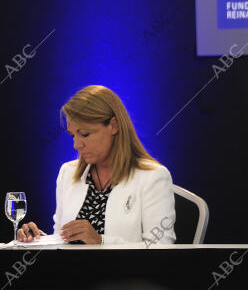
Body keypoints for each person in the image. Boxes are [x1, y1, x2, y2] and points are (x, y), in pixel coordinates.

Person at [18, 85, 176, 245]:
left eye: (85, 134)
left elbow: (161, 248)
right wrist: (36, 239)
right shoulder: (67, 173)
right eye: (73, 135)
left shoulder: (153, 177)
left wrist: (100, 242)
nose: (76, 145)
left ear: (114, 126)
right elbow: (61, 239)